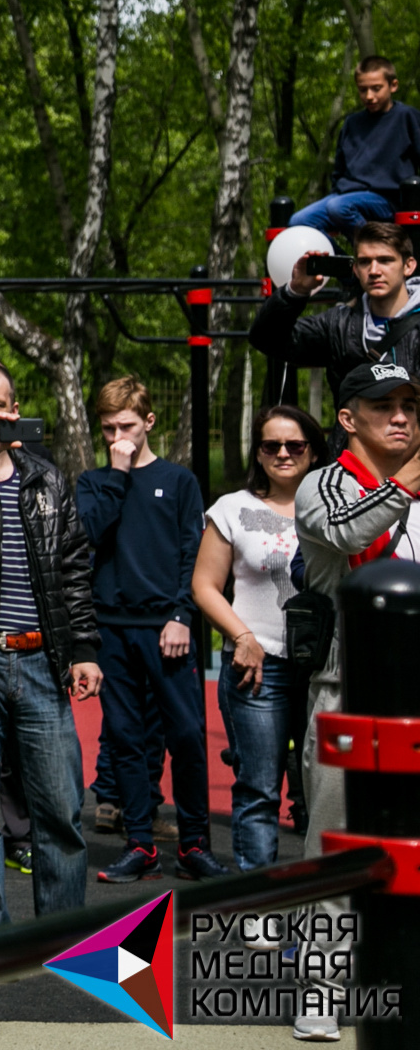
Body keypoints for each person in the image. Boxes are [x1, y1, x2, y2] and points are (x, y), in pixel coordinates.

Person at [292, 359, 420, 1044]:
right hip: (349, 695)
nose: (401, 416)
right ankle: (322, 989)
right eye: (383, 405)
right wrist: (404, 486)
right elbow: (342, 535)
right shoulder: (323, 483)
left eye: (410, 403)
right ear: (348, 418)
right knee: (339, 846)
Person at [0, 359, 99, 921]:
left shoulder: (47, 479)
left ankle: (60, 933)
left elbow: (74, 567)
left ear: (13, 409)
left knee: (60, 808)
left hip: (41, 662)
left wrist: (83, 648)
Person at [74, 375, 218, 883]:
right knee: (126, 739)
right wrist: (116, 472)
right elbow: (89, 532)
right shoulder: (94, 483)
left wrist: (182, 614)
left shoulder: (179, 481)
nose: (119, 438)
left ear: (148, 421)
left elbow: (191, 554)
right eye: (109, 428)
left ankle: (196, 843)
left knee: (186, 736)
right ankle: (140, 844)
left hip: (167, 628)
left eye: (128, 426)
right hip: (110, 629)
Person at [193, 405, 320, 873]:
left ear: (313, 450)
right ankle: (257, 904)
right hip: (257, 667)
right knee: (260, 789)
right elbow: (204, 587)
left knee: (321, 790)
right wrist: (242, 636)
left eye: (295, 445)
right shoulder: (233, 509)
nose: (283, 453)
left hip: (322, 669)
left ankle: (321, 902)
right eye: (271, 445)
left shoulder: (333, 508)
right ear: (258, 453)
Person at [251, 219, 420, 381]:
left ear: (409, 266)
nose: (374, 270)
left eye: (385, 260)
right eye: (364, 262)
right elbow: (266, 339)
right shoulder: (338, 326)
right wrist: (296, 290)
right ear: (355, 269)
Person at [290, 56, 420, 236]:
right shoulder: (352, 123)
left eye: (376, 89)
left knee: (339, 207)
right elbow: (339, 168)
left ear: (393, 86)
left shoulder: (407, 117)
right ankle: (342, 262)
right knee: (299, 221)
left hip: (387, 198)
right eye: (362, 90)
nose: (369, 96)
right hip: (346, 195)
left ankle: (379, 248)